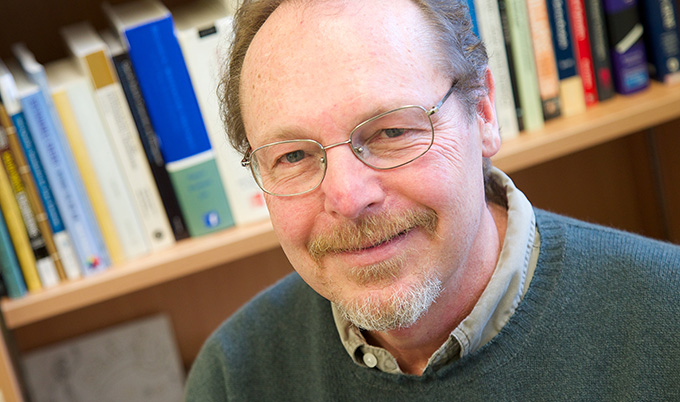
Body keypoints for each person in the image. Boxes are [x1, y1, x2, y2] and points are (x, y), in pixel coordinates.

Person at [185, 0, 680, 400]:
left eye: (392, 132)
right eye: (293, 155)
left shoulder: (667, 319)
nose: (348, 196)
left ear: (483, 113)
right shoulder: (233, 376)